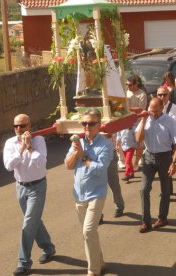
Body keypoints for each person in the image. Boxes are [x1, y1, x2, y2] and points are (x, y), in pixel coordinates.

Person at [3, 114, 56, 276]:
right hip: (20, 187)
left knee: (28, 224)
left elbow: (41, 162)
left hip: (37, 187)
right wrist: (22, 148)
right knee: (33, 221)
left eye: (23, 126)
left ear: (29, 126)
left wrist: (30, 147)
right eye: (16, 126)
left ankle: (23, 263)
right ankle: (48, 248)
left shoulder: (39, 140)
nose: (19, 129)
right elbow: (9, 166)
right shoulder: (10, 143)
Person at [65, 108, 114, 276]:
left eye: (91, 123)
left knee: (88, 231)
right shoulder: (77, 142)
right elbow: (68, 165)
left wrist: (83, 156)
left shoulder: (106, 145)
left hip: (96, 194)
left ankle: (93, 271)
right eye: (84, 123)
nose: (87, 126)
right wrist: (76, 153)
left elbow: (100, 170)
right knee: (88, 234)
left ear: (99, 125)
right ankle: (99, 262)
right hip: (78, 194)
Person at [135, 97, 176, 233]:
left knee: (165, 190)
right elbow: (138, 139)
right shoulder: (146, 119)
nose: (153, 113)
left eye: (156, 111)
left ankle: (162, 217)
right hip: (148, 157)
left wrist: (174, 163)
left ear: (162, 108)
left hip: (165, 157)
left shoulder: (170, 121)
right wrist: (144, 120)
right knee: (143, 190)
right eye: (151, 110)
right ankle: (146, 221)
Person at [126, 75, 148, 171]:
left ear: (136, 84)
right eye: (127, 85)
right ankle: (127, 162)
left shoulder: (142, 94)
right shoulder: (126, 93)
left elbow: (140, 109)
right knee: (127, 143)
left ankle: (136, 162)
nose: (128, 87)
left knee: (138, 143)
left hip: (138, 122)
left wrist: (127, 109)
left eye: (130, 85)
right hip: (127, 122)